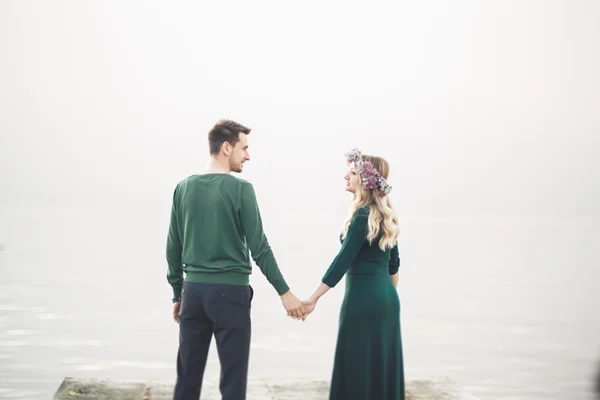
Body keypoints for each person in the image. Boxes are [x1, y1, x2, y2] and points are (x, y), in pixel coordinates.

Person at [165, 119, 306, 400]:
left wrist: (177, 293)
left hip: (192, 293)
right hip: (230, 294)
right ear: (226, 148)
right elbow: (260, 247)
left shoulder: (183, 188)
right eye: (244, 148)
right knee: (233, 380)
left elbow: (173, 247)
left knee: (187, 379)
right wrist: (285, 293)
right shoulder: (242, 189)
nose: (248, 155)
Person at [301, 148, 405, 399]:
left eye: (353, 172)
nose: (346, 177)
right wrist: (385, 300)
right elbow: (394, 266)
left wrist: (312, 298)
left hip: (361, 300)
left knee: (356, 365)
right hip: (388, 300)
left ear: (366, 180)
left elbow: (341, 263)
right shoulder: (386, 217)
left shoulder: (361, 217)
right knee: (381, 366)